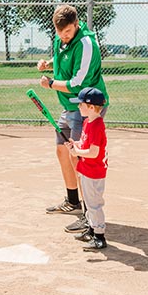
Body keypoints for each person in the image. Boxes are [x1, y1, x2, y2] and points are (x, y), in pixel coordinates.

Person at [37, 4, 109, 234]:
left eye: (66, 32)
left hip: (86, 107)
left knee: (79, 157)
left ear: (76, 25)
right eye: (59, 33)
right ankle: (73, 202)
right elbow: (63, 54)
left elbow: (78, 83)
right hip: (69, 106)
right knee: (62, 151)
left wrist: (50, 84)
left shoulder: (87, 44)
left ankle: (89, 216)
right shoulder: (63, 39)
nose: (62, 36)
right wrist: (49, 63)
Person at [64, 87, 108, 250]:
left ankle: (99, 236)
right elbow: (85, 144)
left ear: (91, 107)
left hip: (94, 172)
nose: (78, 107)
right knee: (88, 203)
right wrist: (76, 145)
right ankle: (91, 229)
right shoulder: (87, 122)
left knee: (94, 204)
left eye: (81, 104)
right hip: (85, 169)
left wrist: (77, 152)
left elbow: (93, 152)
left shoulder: (97, 125)